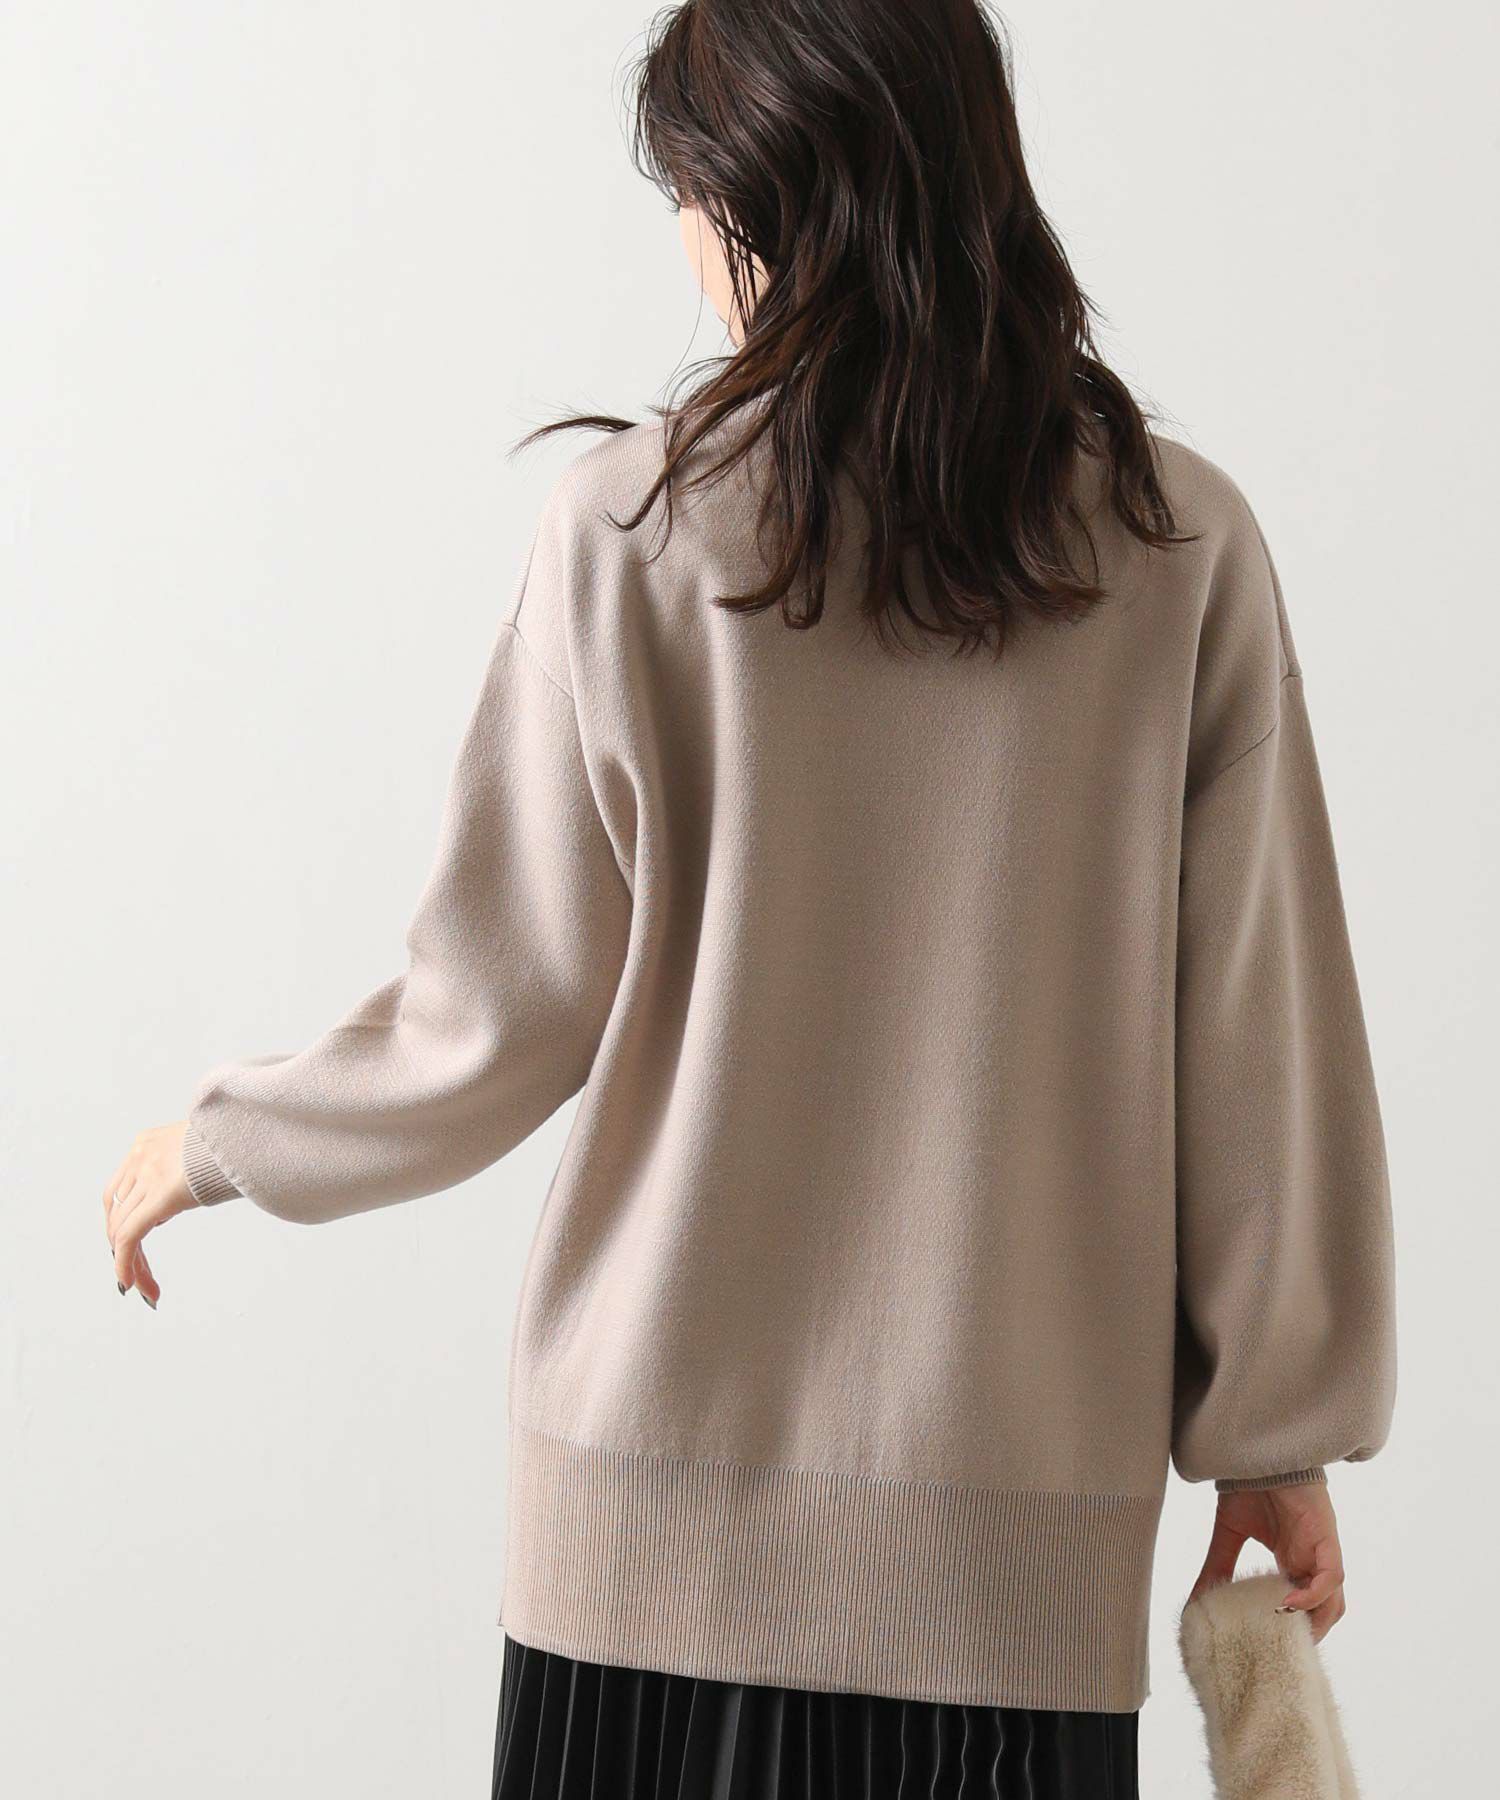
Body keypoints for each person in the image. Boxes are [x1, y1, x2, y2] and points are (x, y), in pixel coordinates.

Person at [100, 2, 1396, 1794]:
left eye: (692, 193)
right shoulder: (1179, 548)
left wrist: (221, 1140)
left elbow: (491, 1016)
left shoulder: (631, 531)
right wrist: (1274, 1433)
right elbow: (1257, 1038)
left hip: (643, 1557)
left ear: (768, 200)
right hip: (1012, 1574)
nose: (686, 244)